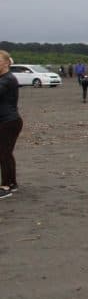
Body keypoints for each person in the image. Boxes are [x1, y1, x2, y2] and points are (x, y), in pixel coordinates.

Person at [0, 50, 23, 197]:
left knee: (4, 153)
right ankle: (12, 183)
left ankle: (6, 186)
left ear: (7, 62)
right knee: (5, 153)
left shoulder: (8, 79)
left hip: (9, 122)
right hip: (7, 121)